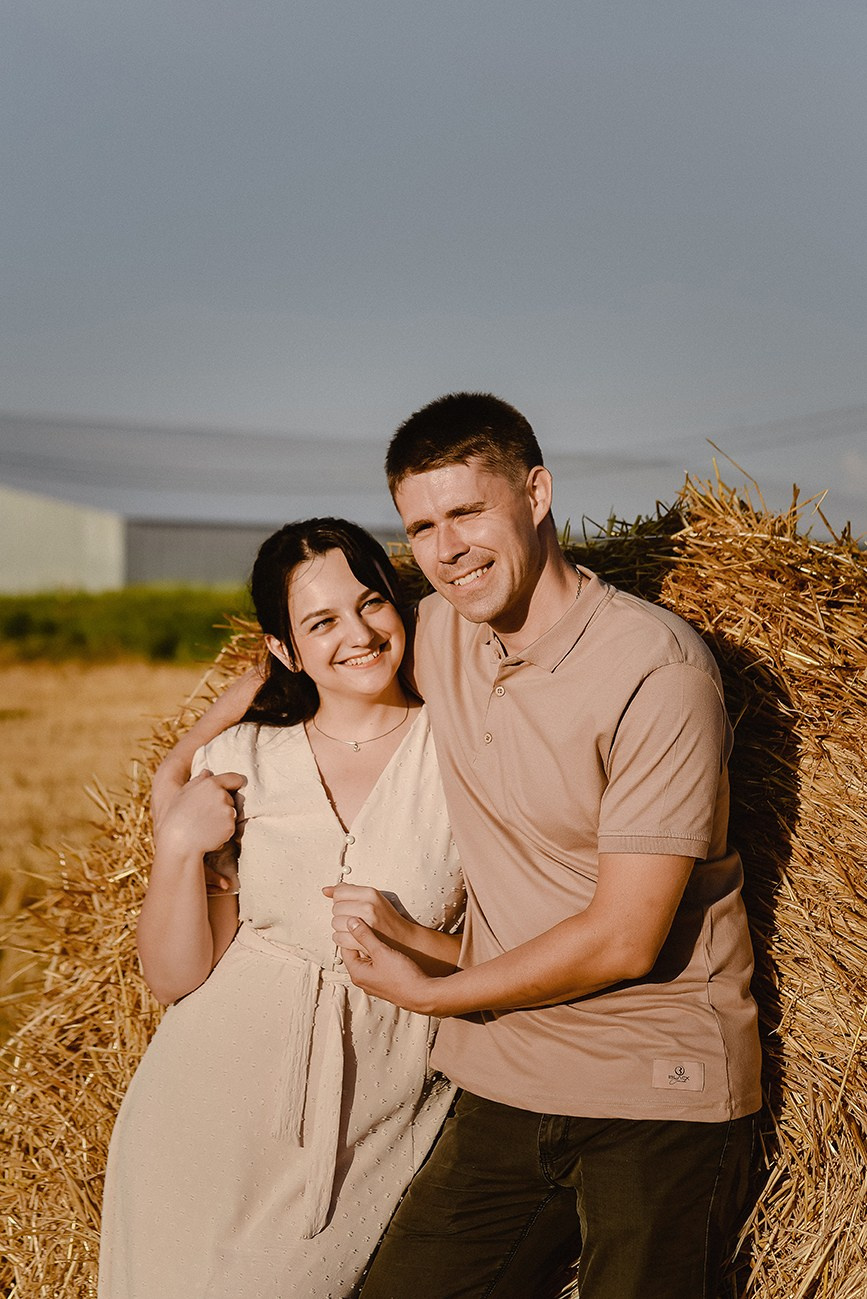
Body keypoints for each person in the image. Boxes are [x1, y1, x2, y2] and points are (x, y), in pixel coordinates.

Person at [153, 394, 762, 1299]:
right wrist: (175, 772)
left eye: (469, 512)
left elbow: (622, 938)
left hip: (650, 1082)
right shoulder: (436, 632)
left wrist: (429, 987)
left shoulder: (654, 671)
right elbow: (307, 651)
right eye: (422, 527)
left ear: (537, 491)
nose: (448, 549)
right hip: (505, 1075)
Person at [98, 518, 464, 1299]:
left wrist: (413, 941)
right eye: (321, 621)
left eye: (371, 604)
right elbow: (176, 977)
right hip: (201, 1105)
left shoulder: (461, 753)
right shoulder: (243, 759)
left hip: (371, 1110)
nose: (358, 635)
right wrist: (176, 846)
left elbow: (512, 945)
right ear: (285, 650)